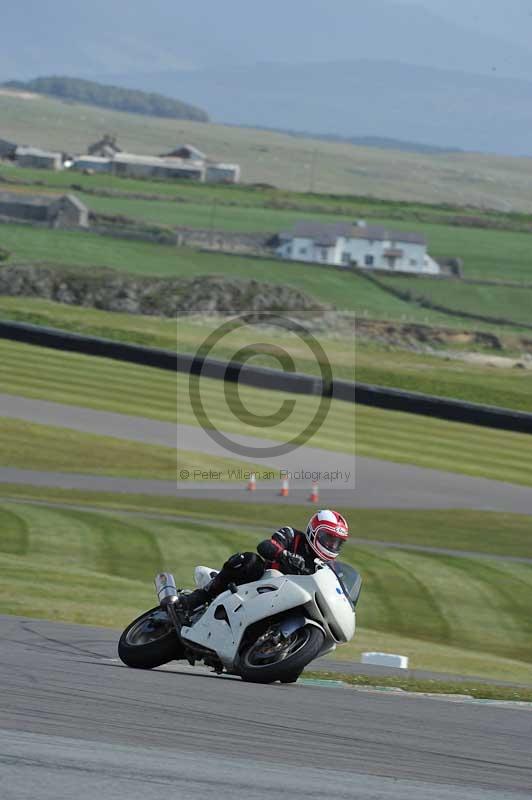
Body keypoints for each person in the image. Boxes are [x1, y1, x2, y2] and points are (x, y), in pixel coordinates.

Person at [177, 509, 349, 614]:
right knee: (251, 561)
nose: (331, 545)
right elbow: (266, 545)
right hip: (259, 586)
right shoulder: (292, 536)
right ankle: (202, 595)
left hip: (288, 602)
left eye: (336, 543)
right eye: (328, 539)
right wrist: (285, 555)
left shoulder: (326, 569)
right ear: (314, 532)